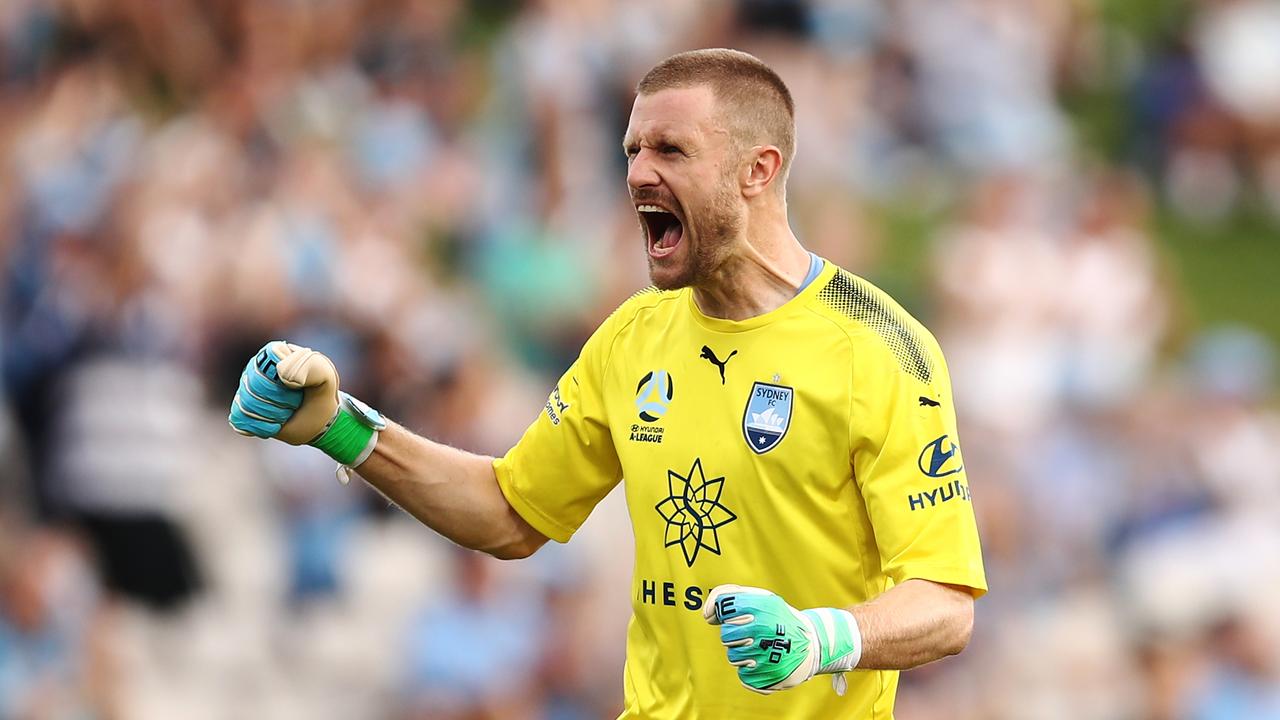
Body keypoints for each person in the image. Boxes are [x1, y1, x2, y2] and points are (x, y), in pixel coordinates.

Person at [229, 48, 986, 719]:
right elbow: (509, 511)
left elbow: (946, 604)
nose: (636, 174)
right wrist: (343, 427)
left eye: (670, 149)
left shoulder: (879, 347)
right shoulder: (633, 336)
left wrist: (824, 637)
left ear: (758, 170)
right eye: (631, 150)